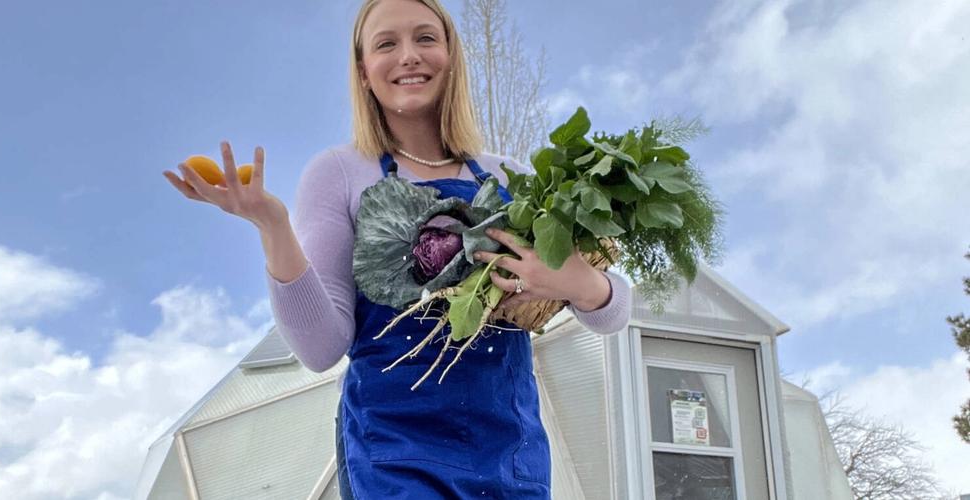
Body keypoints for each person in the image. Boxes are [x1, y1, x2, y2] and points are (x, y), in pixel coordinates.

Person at [163, 0, 631, 497]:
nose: (409, 55)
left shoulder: (507, 176)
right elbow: (321, 348)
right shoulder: (339, 172)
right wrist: (273, 226)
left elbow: (612, 313)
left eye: (426, 38)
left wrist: (583, 284)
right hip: (393, 454)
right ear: (363, 71)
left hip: (508, 450)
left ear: (451, 56)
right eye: (387, 43)